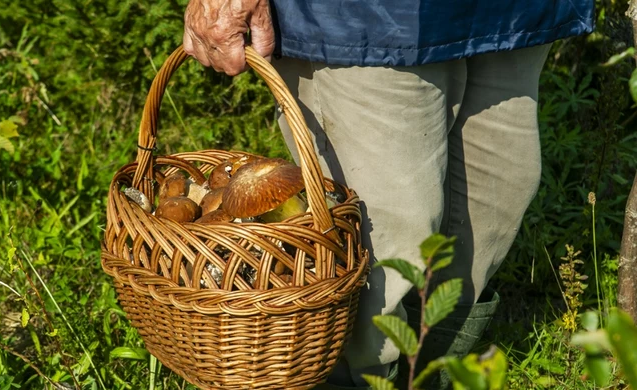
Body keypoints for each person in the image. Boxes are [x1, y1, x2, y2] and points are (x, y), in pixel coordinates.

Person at [183, 1, 595, 389]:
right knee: (389, 237)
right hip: (366, 20)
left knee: (498, 197)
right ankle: (354, 376)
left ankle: (424, 375)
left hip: (506, 15)